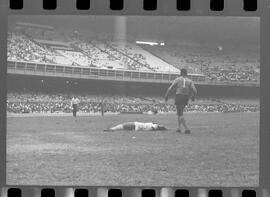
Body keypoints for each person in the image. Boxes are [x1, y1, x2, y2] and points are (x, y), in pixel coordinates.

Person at [164, 68, 197, 134]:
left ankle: (187, 129)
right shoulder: (190, 81)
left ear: (181, 73)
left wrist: (166, 95)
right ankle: (178, 128)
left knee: (180, 114)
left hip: (179, 96)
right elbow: (195, 90)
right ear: (186, 73)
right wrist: (193, 97)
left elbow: (170, 88)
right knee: (179, 113)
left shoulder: (178, 79)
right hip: (186, 97)